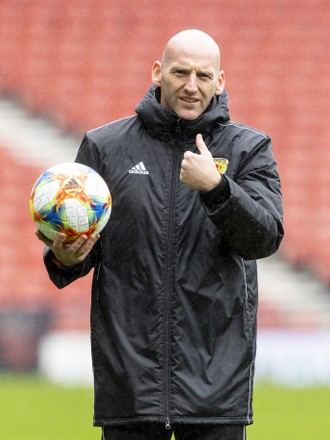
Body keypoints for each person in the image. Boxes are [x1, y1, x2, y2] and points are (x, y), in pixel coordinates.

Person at [36, 29, 284, 440]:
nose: (191, 86)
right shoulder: (105, 147)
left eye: (204, 76)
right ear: (157, 72)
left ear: (220, 82)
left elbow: (265, 238)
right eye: (180, 72)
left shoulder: (249, 149)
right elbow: (76, 254)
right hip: (130, 387)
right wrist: (66, 257)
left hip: (215, 391)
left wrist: (217, 189)